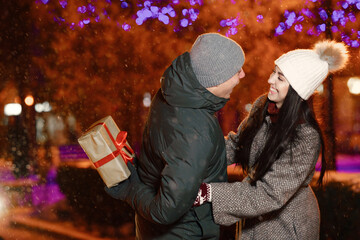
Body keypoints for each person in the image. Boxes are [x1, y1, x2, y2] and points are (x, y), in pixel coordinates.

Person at [193, 40, 349, 239]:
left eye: (280, 77)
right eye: (274, 72)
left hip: (286, 226)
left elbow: (269, 193)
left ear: (297, 90)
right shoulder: (263, 105)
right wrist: (194, 156)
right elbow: (236, 145)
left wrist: (209, 193)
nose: (270, 80)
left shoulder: (306, 137)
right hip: (254, 217)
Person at [105, 33, 246, 239]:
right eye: (236, 70)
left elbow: (183, 154)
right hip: (185, 233)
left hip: (154, 231)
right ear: (214, 80)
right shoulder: (196, 129)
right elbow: (165, 210)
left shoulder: (174, 93)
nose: (242, 75)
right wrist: (129, 189)